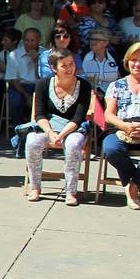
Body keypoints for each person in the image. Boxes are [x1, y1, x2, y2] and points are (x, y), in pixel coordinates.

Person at [24, 49, 91, 205]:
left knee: (73, 144)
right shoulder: (43, 84)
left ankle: (71, 191)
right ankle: (35, 187)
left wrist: (61, 135)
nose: (69, 69)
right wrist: (51, 132)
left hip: (73, 128)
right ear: (54, 68)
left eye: (71, 64)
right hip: (48, 125)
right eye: (64, 66)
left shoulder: (84, 86)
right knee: (32, 141)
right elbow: (39, 115)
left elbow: (79, 117)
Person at [102, 43, 140, 209]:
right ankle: (131, 181)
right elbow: (109, 114)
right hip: (122, 128)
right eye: (134, 60)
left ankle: (134, 185)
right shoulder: (117, 85)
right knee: (111, 148)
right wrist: (126, 126)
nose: (137, 64)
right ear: (127, 61)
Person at [6, 27, 44, 125]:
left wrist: (36, 62)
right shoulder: (14, 54)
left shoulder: (45, 53)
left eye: (32, 40)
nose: (29, 43)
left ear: (39, 40)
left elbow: (46, 78)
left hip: (39, 86)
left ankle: (41, 128)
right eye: (26, 40)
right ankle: (18, 130)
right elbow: (13, 79)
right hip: (20, 86)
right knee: (15, 101)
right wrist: (27, 96)